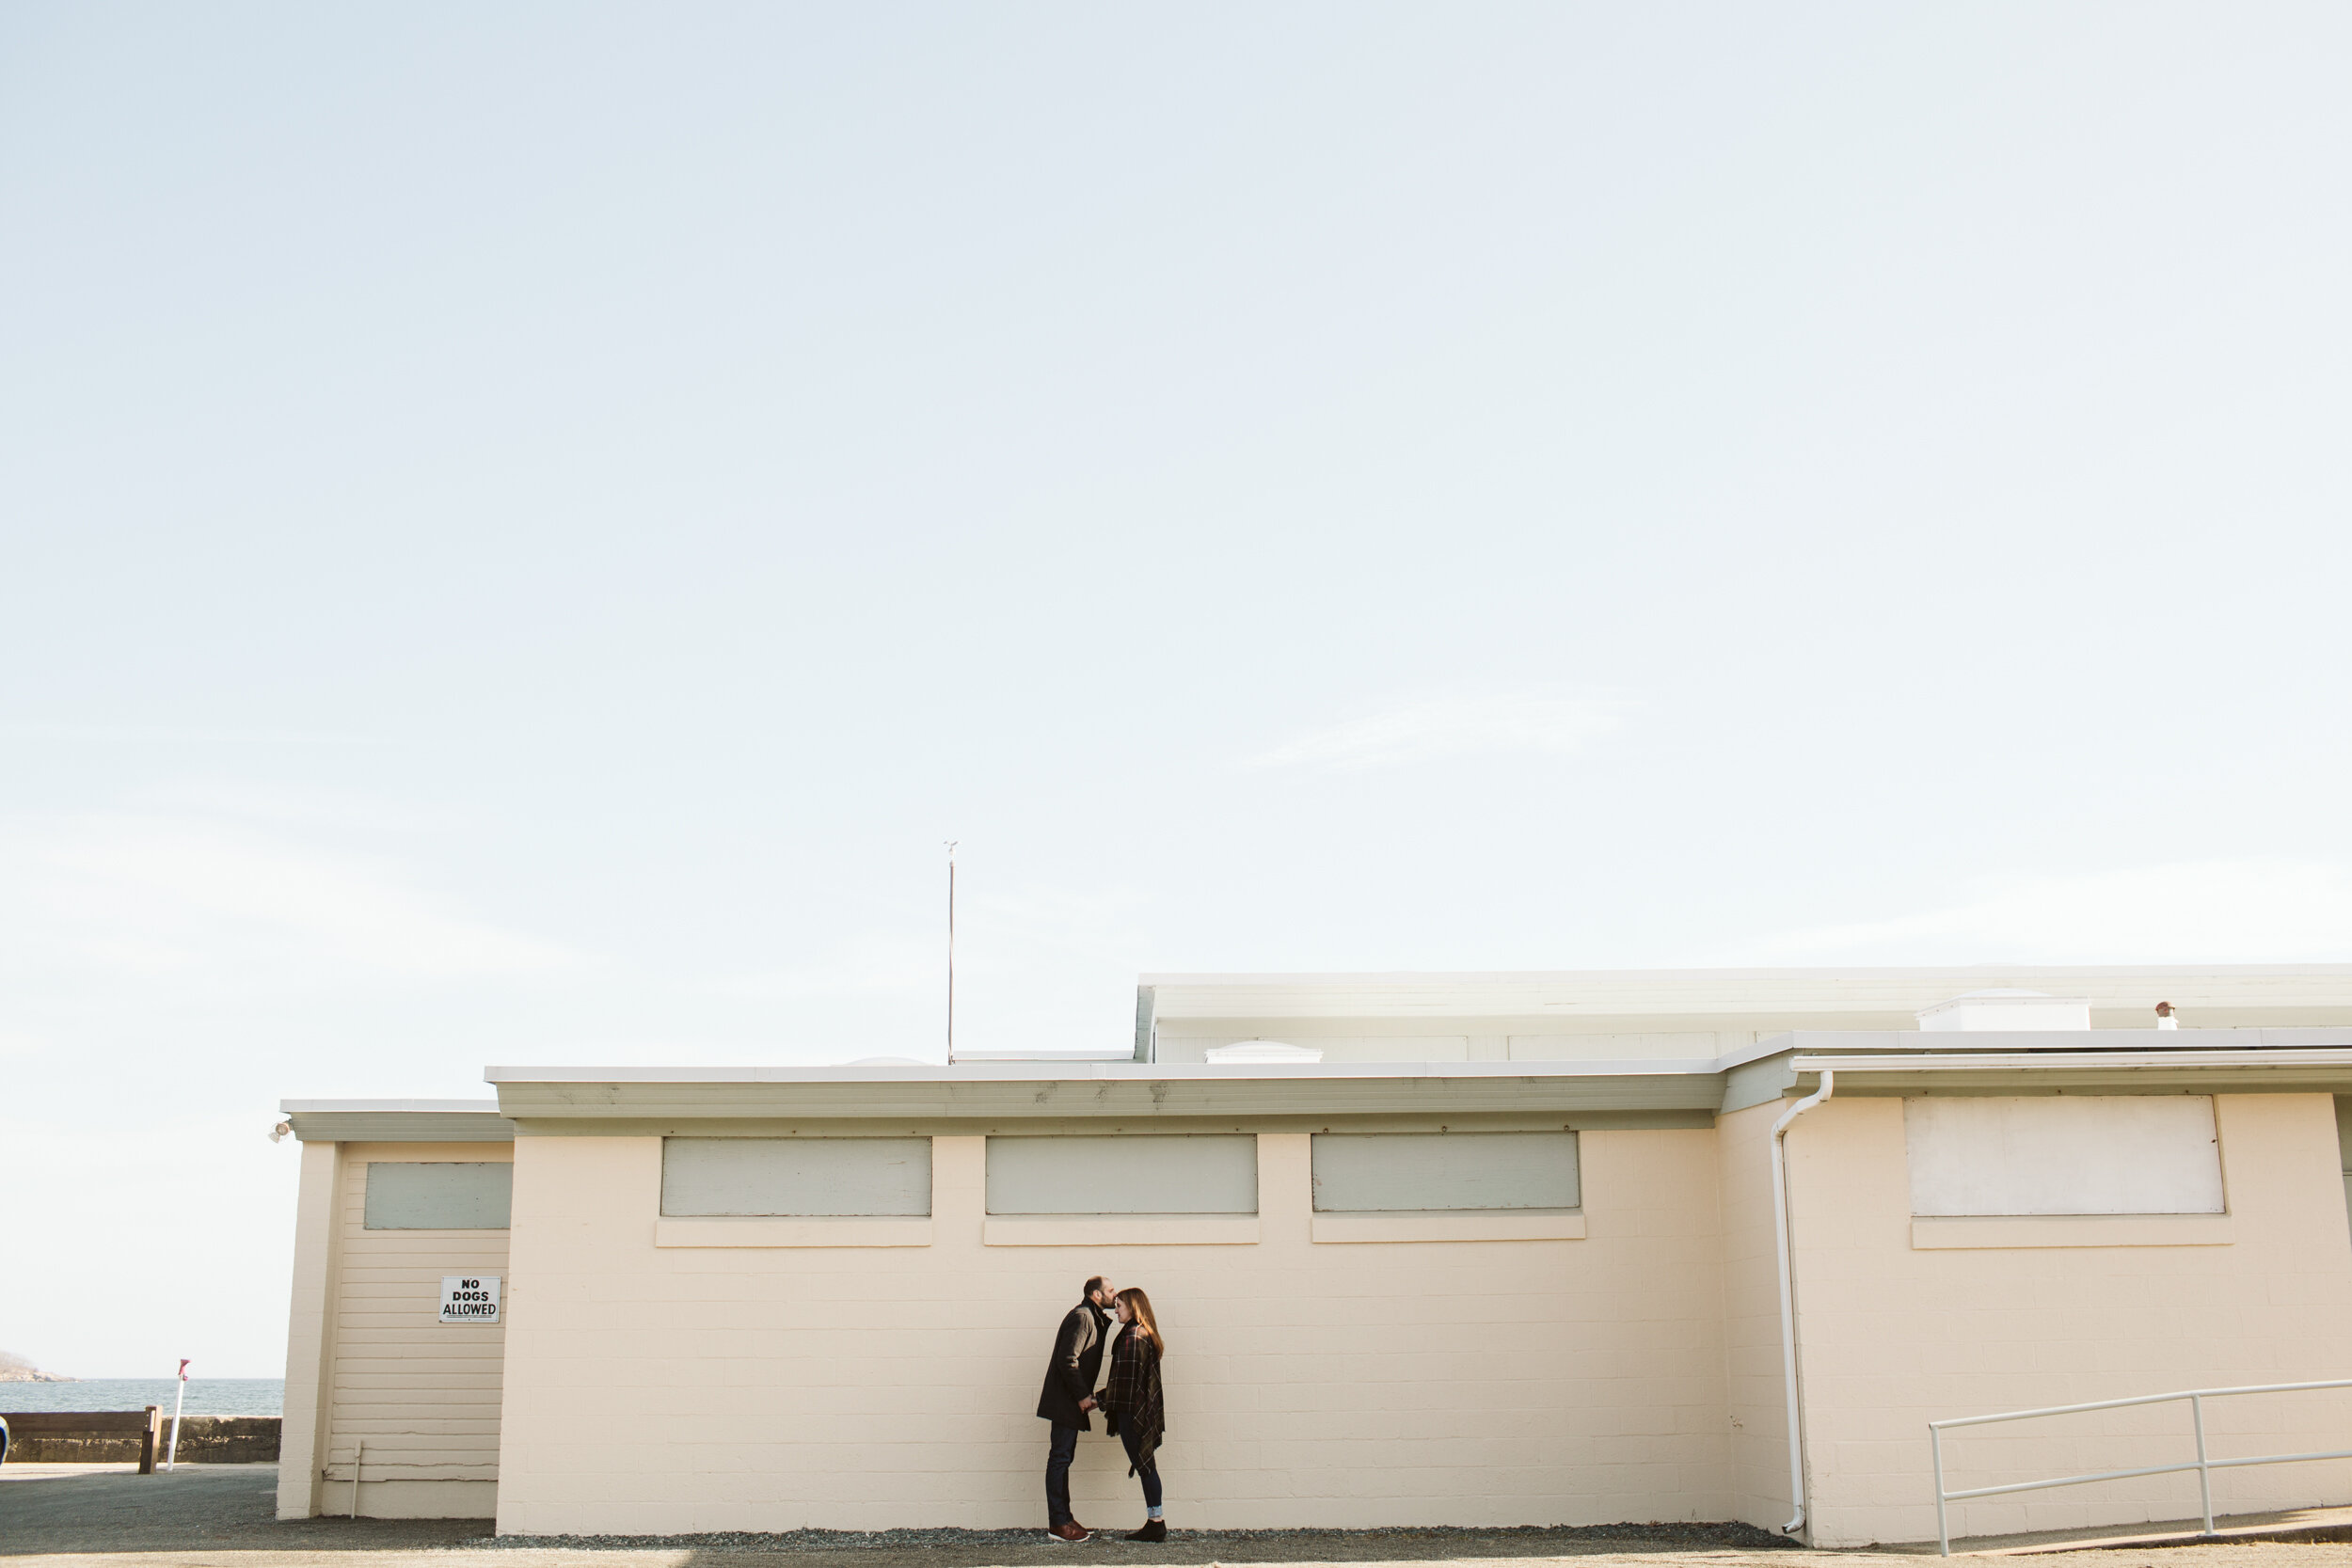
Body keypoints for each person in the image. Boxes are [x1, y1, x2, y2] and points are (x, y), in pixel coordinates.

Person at [1036, 1275, 1116, 1542]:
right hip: (1066, 1402)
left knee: (1063, 1458)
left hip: (1069, 1401)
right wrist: (1083, 1396)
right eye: (1110, 1290)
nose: (1114, 1295)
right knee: (1059, 1458)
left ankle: (1065, 1518)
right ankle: (1058, 1524)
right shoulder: (1083, 1317)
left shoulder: (1092, 1317)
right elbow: (1067, 1359)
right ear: (1096, 1294)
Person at [1088, 1286, 1168, 1542]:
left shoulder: (1133, 1336)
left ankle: (1156, 1523)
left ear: (1133, 1307)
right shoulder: (1140, 1333)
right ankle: (1155, 1521)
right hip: (1139, 1410)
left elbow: (1125, 1382)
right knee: (1146, 1465)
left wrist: (1095, 1400)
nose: (1116, 1310)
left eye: (1119, 1305)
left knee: (1145, 1465)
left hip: (1133, 1412)